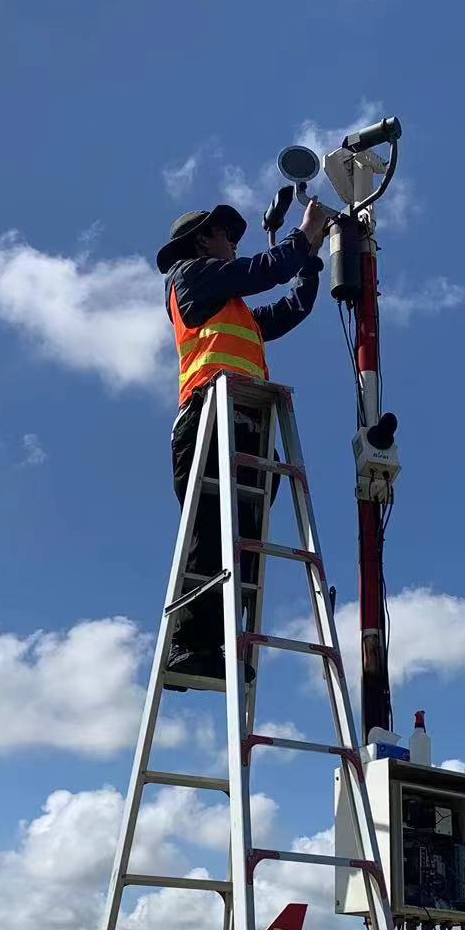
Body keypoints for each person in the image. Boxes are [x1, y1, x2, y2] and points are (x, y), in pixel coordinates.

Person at [156, 199, 330, 685]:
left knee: (245, 534)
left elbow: (291, 307)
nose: (234, 243)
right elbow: (263, 271)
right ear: (200, 243)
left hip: (246, 417)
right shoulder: (191, 277)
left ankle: (216, 643)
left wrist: (310, 260)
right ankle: (189, 646)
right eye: (225, 235)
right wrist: (305, 234)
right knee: (212, 529)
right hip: (210, 412)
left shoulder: (232, 308)